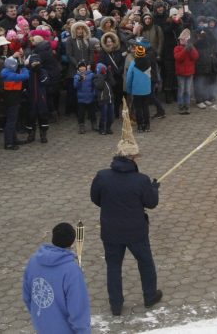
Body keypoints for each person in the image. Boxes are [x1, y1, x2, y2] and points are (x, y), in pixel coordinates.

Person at [90, 114, 162, 316]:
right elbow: (151, 203)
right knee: (145, 262)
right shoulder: (141, 180)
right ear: (131, 158)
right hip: (136, 231)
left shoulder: (102, 176)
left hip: (111, 230)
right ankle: (149, 296)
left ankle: (116, 305)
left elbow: (95, 198)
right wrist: (154, 189)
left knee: (113, 267)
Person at [22, 223, 91, 333]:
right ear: (72, 242)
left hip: (41, 326)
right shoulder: (71, 270)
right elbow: (78, 309)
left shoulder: (34, 261)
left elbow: (27, 295)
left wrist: (39, 317)